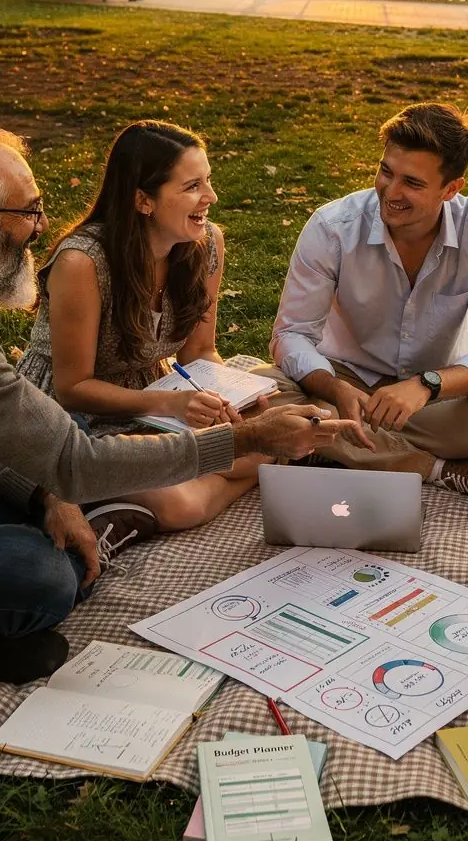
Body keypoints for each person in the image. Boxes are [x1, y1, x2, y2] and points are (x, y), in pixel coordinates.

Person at [0, 123, 361, 684]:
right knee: (42, 573)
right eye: (29, 213)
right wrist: (248, 439)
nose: (41, 227)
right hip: (69, 433)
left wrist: (45, 494)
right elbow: (77, 455)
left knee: (54, 532)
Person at [19, 120, 317, 532]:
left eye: (207, 181)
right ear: (144, 200)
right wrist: (171, 405)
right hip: (77, 415)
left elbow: (198, 353)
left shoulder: (206, 242)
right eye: (192, 186)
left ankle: (166, 488)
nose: (210, 197)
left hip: (160, 398)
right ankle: (186, 491)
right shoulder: (82, 263)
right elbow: (74, 388)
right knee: (182, 501)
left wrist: (222, 396)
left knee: (291, 425)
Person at [264, 102, 468, 508]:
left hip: (431, 396)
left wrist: (428, 385)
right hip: (343, 380)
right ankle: (442, 470)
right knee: (262, 396)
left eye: (411, 183)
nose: (390, 193)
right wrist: (334, 388)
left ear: (451, 189)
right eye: (385, 172)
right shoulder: (332, 228)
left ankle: (329, 445)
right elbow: (290, 335)